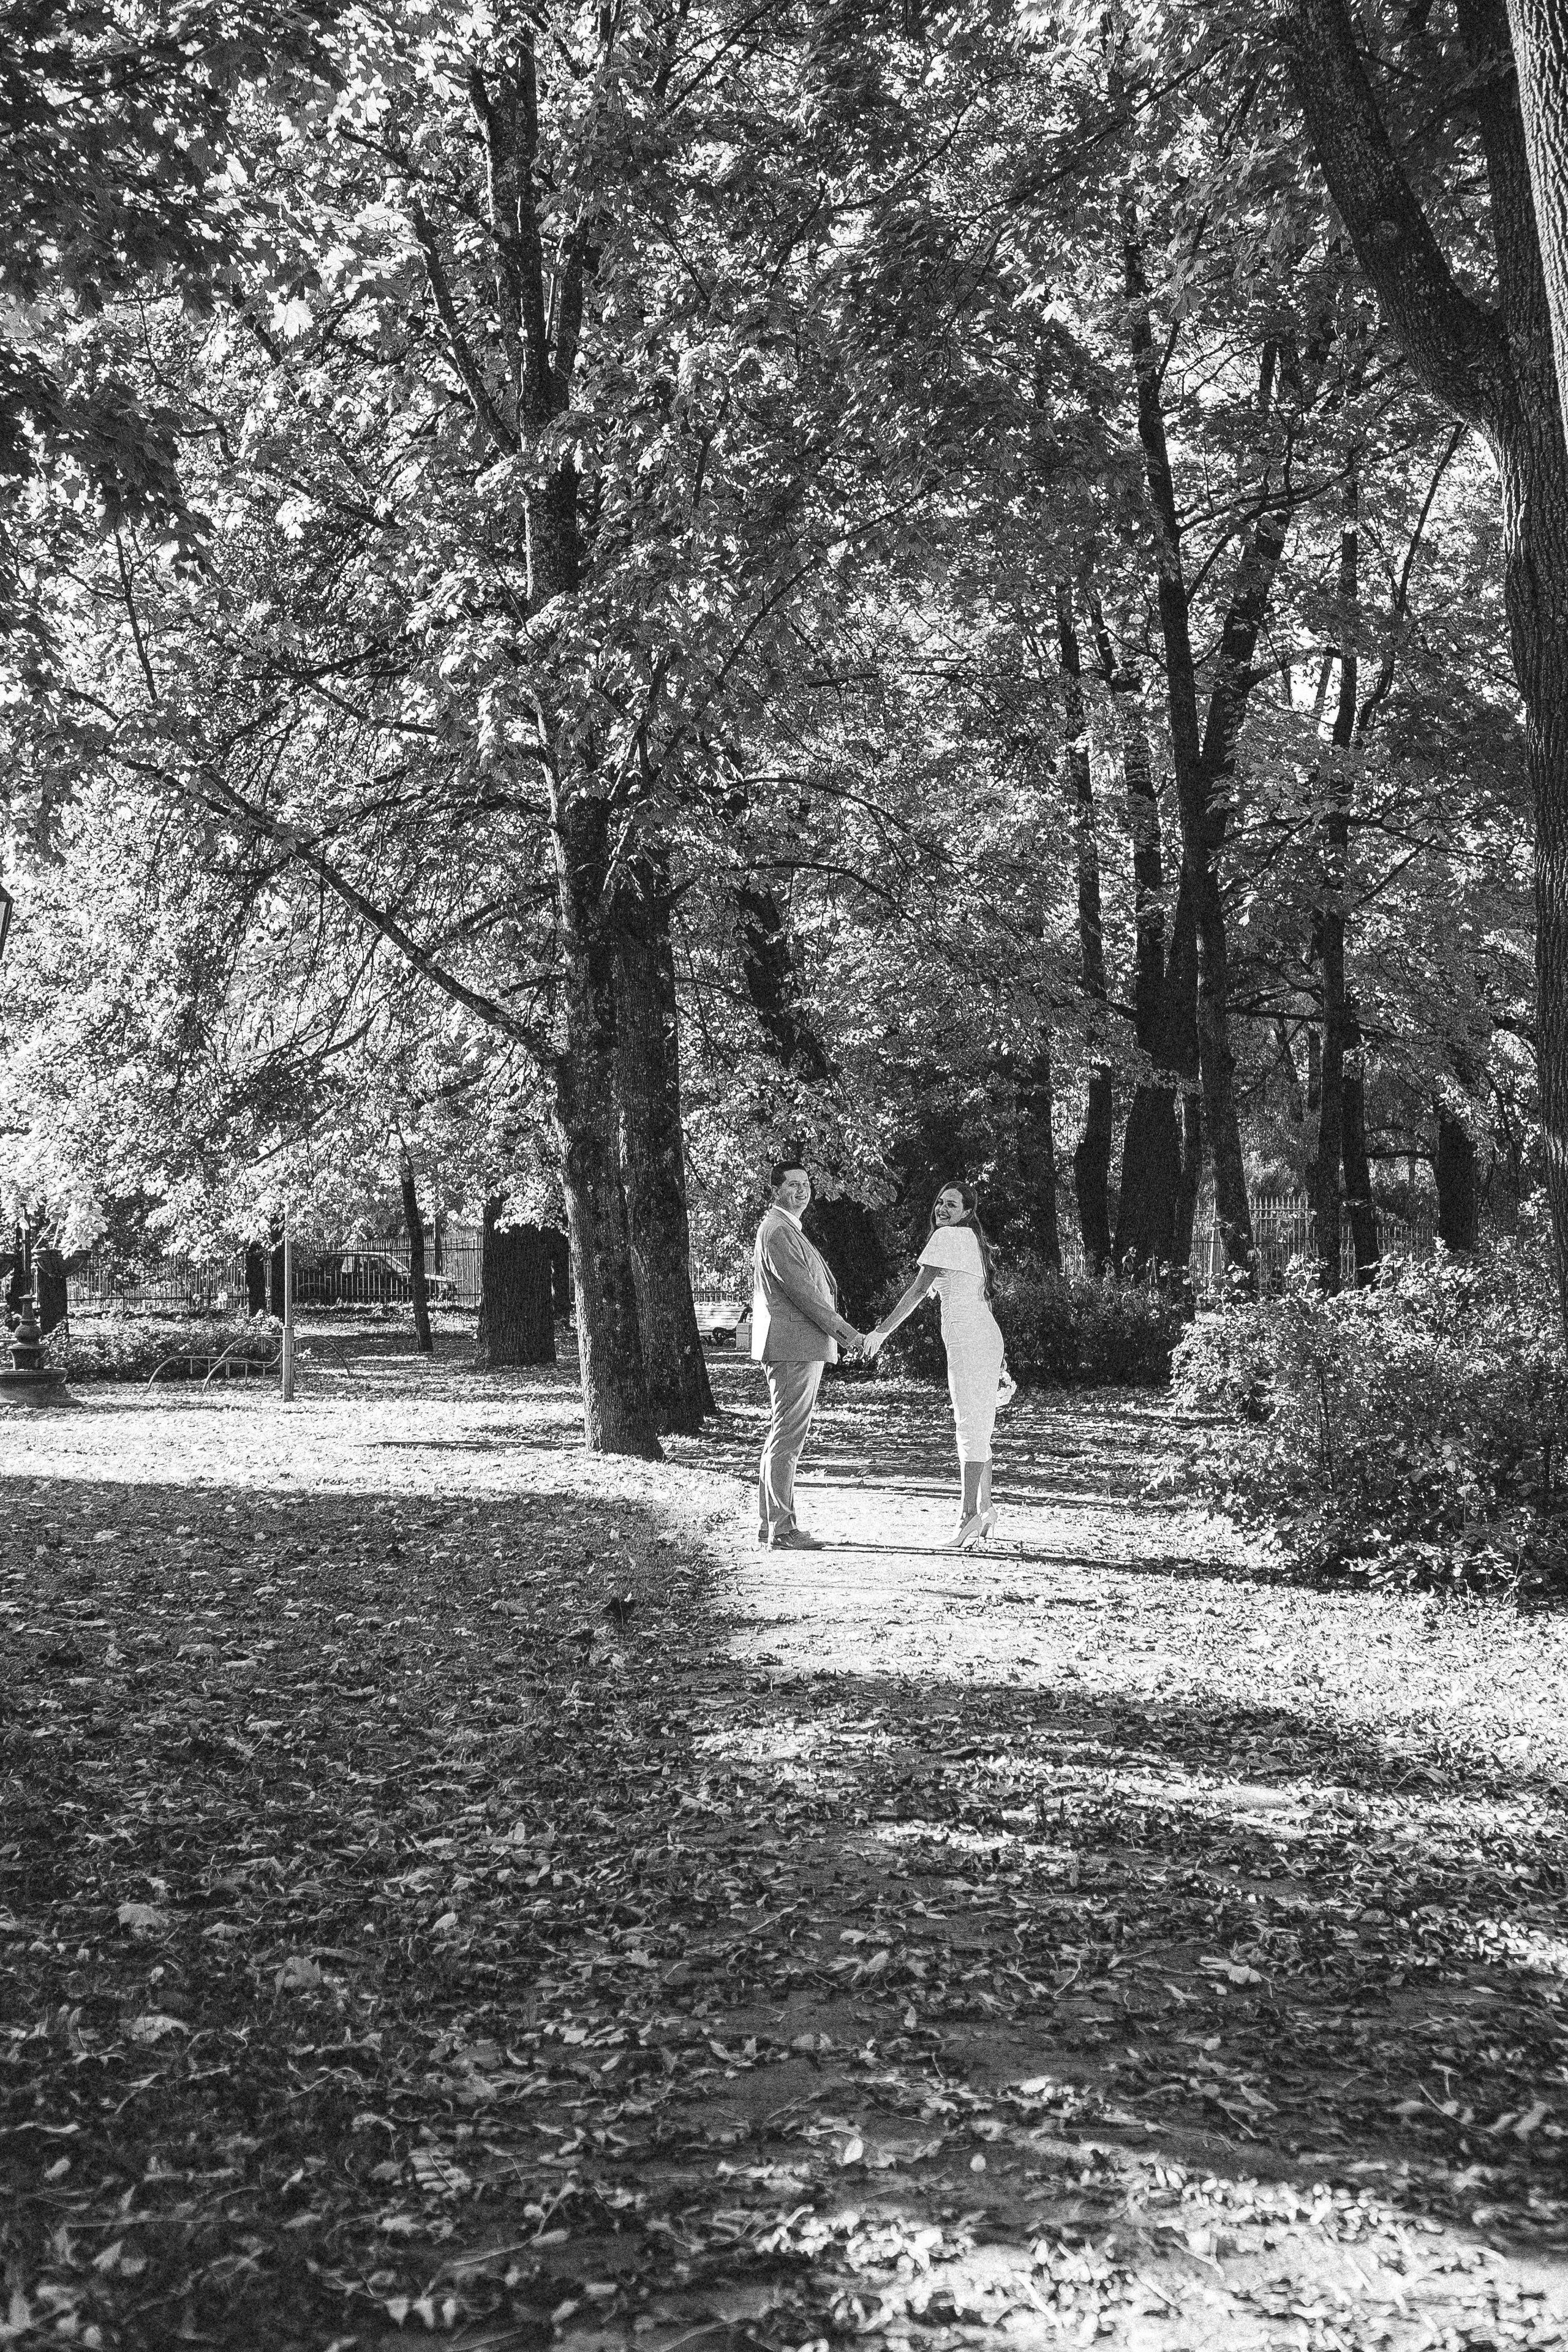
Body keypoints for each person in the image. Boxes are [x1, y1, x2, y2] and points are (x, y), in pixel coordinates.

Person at [864, 1179, 1008, 1550]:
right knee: (979, 1423)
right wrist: (1002, 1361)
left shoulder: (947, 1239)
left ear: (967, 1213)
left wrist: (881, 1333)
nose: (943, 1210)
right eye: (940, 1202)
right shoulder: (971, 1241)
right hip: (985, 1337)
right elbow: (985, 1302)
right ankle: (986, 1507)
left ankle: (967, 1516)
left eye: (953, 1205)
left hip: (969, 1339)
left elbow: (916, 1291)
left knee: (969, 1425)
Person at [752, 1161, 866, 1550]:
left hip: (797, 1345)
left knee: (784, 1435)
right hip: (793, 1346)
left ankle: (774, 1525)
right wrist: (847, 1334)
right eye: (793, 1185)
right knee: (787, 1436)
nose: (802, 1191)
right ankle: (781, 1530)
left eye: (806, 1184)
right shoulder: (778, 1230)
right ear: (776, 1191)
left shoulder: (786, 1229)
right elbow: (805, 1295)